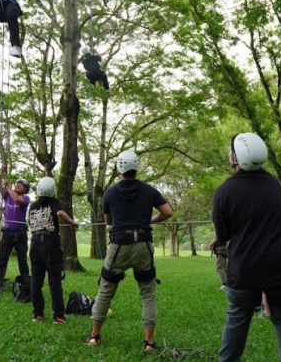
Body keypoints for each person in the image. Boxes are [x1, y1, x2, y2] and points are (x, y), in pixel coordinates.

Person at [212, 133, 281, 362]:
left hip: (246, 266)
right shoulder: (273, 183)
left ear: (236, 156)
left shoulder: (224, 192)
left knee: (237, 318)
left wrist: (221, 237)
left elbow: (223, 235)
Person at [86, 150, 173, 351]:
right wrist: (149, 220)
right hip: (143, 244)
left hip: (118, 246)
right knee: (148, 293)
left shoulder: (109, 193)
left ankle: (94, 336)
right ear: (137, 168)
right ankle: (149, 343)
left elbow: (108, 221)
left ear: (119, 169)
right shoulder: (150, 191)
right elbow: (167, 212)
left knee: (106, 290)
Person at [27, 176, 78, 323]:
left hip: (35, 243)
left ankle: (38, 313)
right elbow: (60, 213)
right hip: (50, 244)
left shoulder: (33, 205)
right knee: (54, 280)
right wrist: (72, 222)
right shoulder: (54, 202)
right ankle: (58, 316)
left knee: (36, 280)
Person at [0, 169, 30, 290]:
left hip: (21, 234)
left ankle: (25, 285)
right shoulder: (7, 195)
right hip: (8, 233)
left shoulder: (25, 198)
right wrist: (2, 171)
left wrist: (9, 187)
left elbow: (17, 200)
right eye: (17, 184)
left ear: (25, 189)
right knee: (2, 260)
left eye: (21, 185)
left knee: (22, 260)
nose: (18, 185)